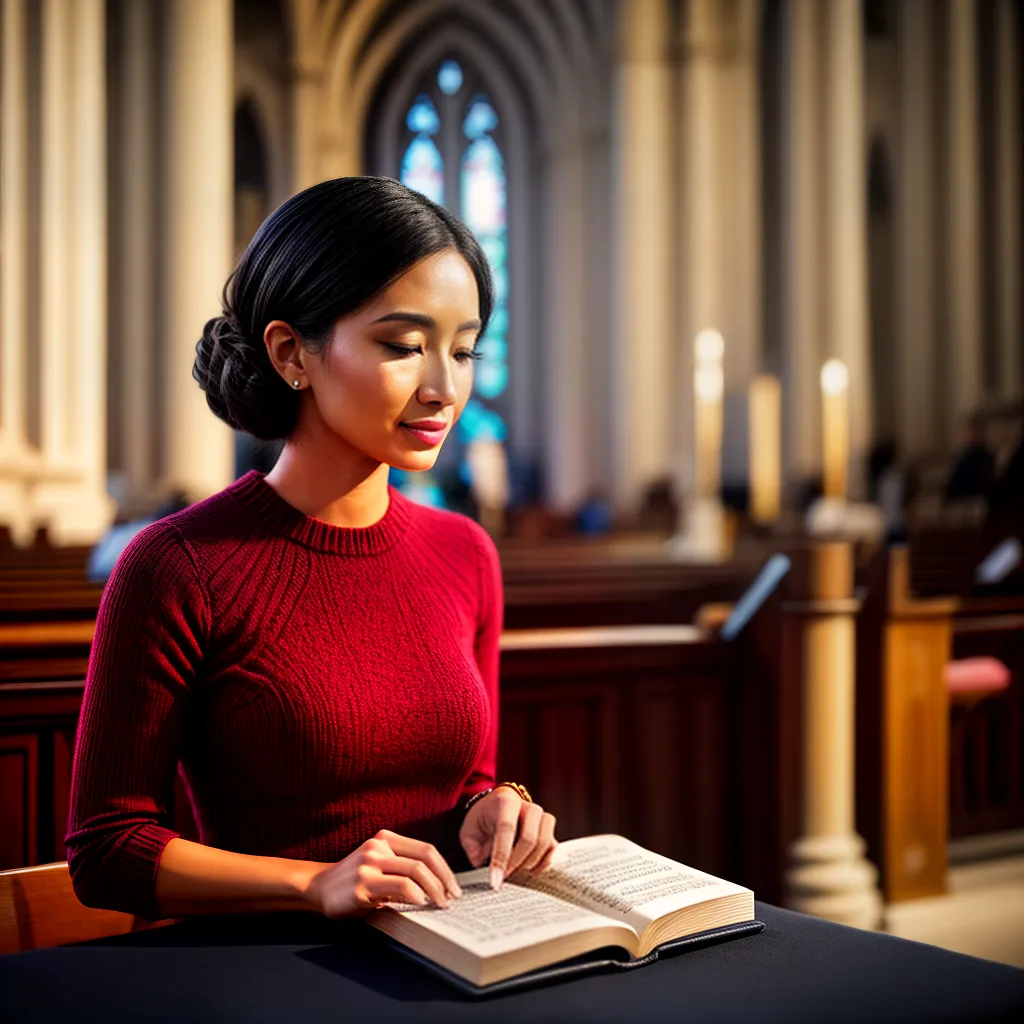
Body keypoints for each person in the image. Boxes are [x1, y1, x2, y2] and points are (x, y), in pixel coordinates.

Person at [66, 177, 558, 923]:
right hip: (268, 968)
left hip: (448, 952)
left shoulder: (466, 553)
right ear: (292, 351)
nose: (443, 388)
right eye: (403, 346)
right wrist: (313, 883)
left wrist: (493, 808)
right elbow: (107, 849)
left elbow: (464, 782)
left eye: (464, 353)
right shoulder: (177, 565)